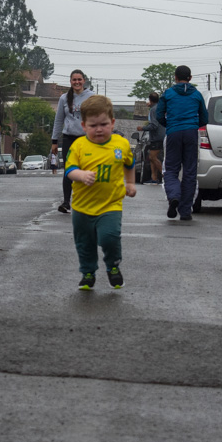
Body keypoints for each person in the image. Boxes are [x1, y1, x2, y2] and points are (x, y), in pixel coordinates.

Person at [64, 94, 136, 290]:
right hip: (82, 207)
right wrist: (81, 175)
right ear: (83, 126)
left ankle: (113, 266)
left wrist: (130, 183)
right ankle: (87, 273)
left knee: (109, 238)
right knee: (84, 243)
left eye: (103, 124)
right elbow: (69, 170)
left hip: (110, 205)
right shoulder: (79, 146)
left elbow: (129, 163)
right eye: (93, 125)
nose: (99, 130)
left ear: (112, 123)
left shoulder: (121, 144)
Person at [155, 65, 208, 221]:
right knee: (190, 171)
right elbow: (205, 118)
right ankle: (185, 211)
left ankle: (174, 197)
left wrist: (169, 124)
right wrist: (192, 125)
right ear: (190, 78)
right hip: (191, 133)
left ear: (175, 77)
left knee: (171, 169)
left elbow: (159, 115)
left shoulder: (168, 93)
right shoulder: (197, 95)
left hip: (173, 133)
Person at [51, 70, 95, 213]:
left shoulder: (91, 96)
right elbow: (58, 120)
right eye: (74, 80)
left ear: (84, 81)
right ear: (70, 81)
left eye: (79, 79)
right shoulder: (64, 98)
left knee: (86, 169)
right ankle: (66, 202)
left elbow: (97, 117)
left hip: (86, 138)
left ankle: (86, 200)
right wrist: (54, 140)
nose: (77, 82)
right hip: (69, 138)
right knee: (69, 171)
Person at [136, 92, 165, 185]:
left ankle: (165, 175)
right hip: (161, 135)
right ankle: (154, 178)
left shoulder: (153, 110)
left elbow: (154, 125)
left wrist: (143, 128)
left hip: (157, 136)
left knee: (152, 157)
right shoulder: (158, 107)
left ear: (150, 100)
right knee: (152, 157)